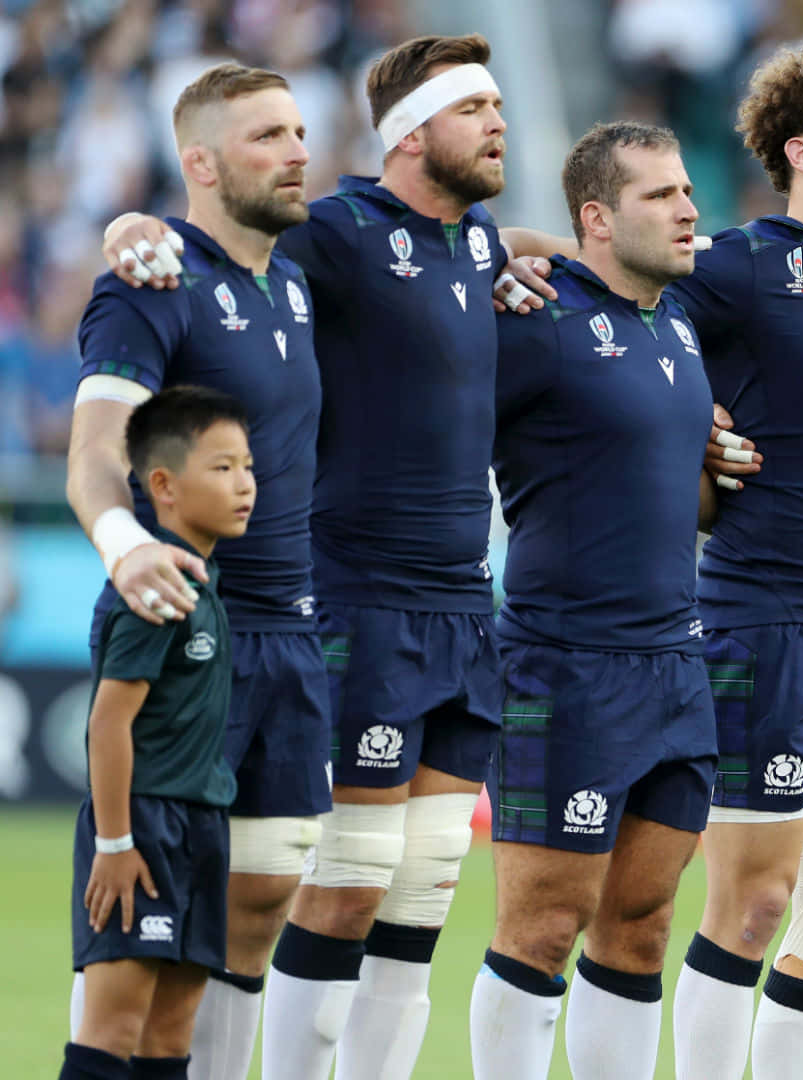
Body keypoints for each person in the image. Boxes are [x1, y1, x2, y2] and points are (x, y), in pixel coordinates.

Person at [500, 39, 803, 1080]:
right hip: (756, 621)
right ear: (801, 152)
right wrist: (512, 251)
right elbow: (609, 292)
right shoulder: (734, 265)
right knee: (752, 903)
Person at [106, 32, 514, 1079]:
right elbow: (219, 244)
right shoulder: (336, 233)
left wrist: (546, 257)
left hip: (467, 608)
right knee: (341, 884)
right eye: (477, 111)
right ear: (413, 136)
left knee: (423, 893)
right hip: (359, 601)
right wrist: (132, 223)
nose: (499, 125)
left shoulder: (485, 248)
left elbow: (512, 264)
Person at [71, 63, 321, 1080]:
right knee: (133, 959)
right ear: (203, 164)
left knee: (249, 917)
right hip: (190, 637)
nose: (299, 150)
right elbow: (96, 449)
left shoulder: (300, 281)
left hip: (293, 637)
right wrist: (123, 542)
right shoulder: (155, 279)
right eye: (268, 136)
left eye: (302, 131)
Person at [467, 120, 718, 1080]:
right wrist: (518, 252)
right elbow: (423, 286)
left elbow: (675, 489)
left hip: (675, 665)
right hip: (563, 667)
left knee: (643, 926)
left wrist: (716, 471)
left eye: (688, 189)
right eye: (660, 196)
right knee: (542, 928)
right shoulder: (536, 317)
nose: (689, 207)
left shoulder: (679, 322)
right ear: (597, 219)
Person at [63, 385, 255, 1080]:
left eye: (247, 466)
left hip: (201, 828)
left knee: (172, 1036)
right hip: (142, 831)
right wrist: (115, 844)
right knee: (112, 1028)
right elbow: (108, 721)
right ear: (164, 486)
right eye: (223, 467)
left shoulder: (201, 581)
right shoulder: (152, 584)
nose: (245, 485)